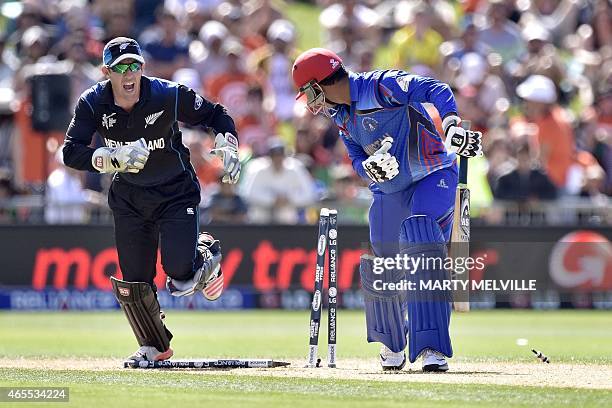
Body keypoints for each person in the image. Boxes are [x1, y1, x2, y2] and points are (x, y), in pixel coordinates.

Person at [292, 48, 482, 372]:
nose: (310, 103)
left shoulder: (381, 86)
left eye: (308, 92)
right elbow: (354, 153)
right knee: (382, 257)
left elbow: (436, 89)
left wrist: (450, 126)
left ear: (320, 84)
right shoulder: (339, 114)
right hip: (389, 189)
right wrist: (368, 169)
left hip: (432, 174)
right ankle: (392, 343)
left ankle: (431, 348)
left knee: (420, 237)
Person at [61, 37, 240, 363]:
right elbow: (70, 152)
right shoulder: (92, 103)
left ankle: (205, 254)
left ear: (143, 67)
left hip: (175, 191)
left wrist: (227, 141)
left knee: (180, 275)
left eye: (135, 66)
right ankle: (156, 347)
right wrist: (112, 158)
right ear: (106, 72)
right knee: (135, 283)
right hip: (129, 196)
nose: (129, 74)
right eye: (120, 68)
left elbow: (215, 114)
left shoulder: (168, 94)